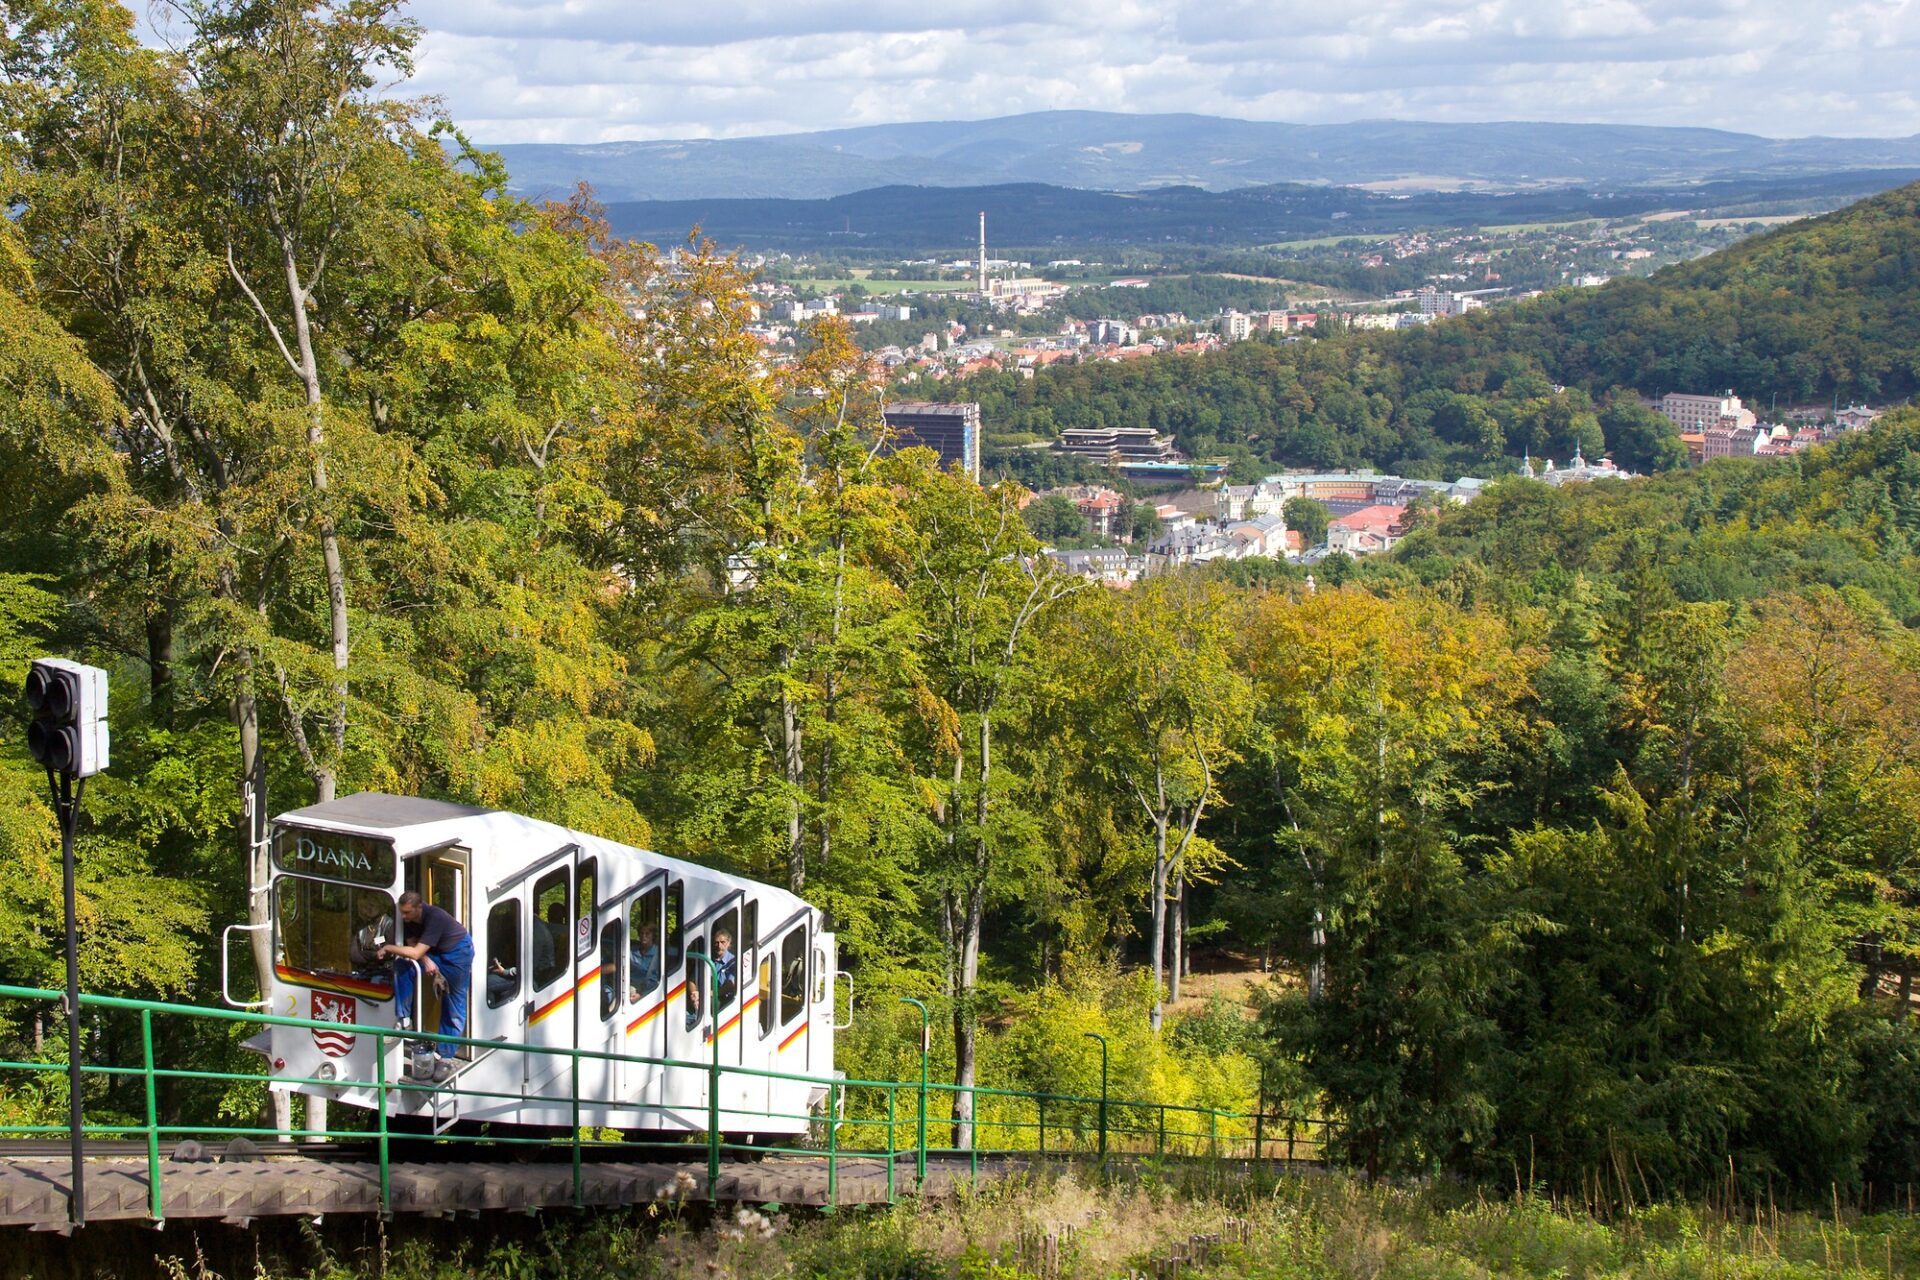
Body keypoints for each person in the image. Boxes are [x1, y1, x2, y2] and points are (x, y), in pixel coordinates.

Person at [379, 890, 474, 1083]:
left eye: (407, 913)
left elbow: (414, 952)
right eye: (402, 913)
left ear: (419, 908)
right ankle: (404, 1021)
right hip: (435, 952)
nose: (404, 918)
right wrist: (427, 960)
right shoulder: (408, 921)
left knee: (453, 1004)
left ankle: (445, 1058)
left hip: (457, 953)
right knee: (402, 967)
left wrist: (388, 948)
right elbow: (414, 947)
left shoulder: (435, 917)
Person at [629, 921, 661, 1001]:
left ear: (653, 935)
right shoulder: (632, 951)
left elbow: (657, 980)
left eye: (647, 933)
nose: (644, 936)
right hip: (630, 987)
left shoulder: (659, 954)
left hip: (651, 992)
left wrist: (641, 994)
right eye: (641, 933)